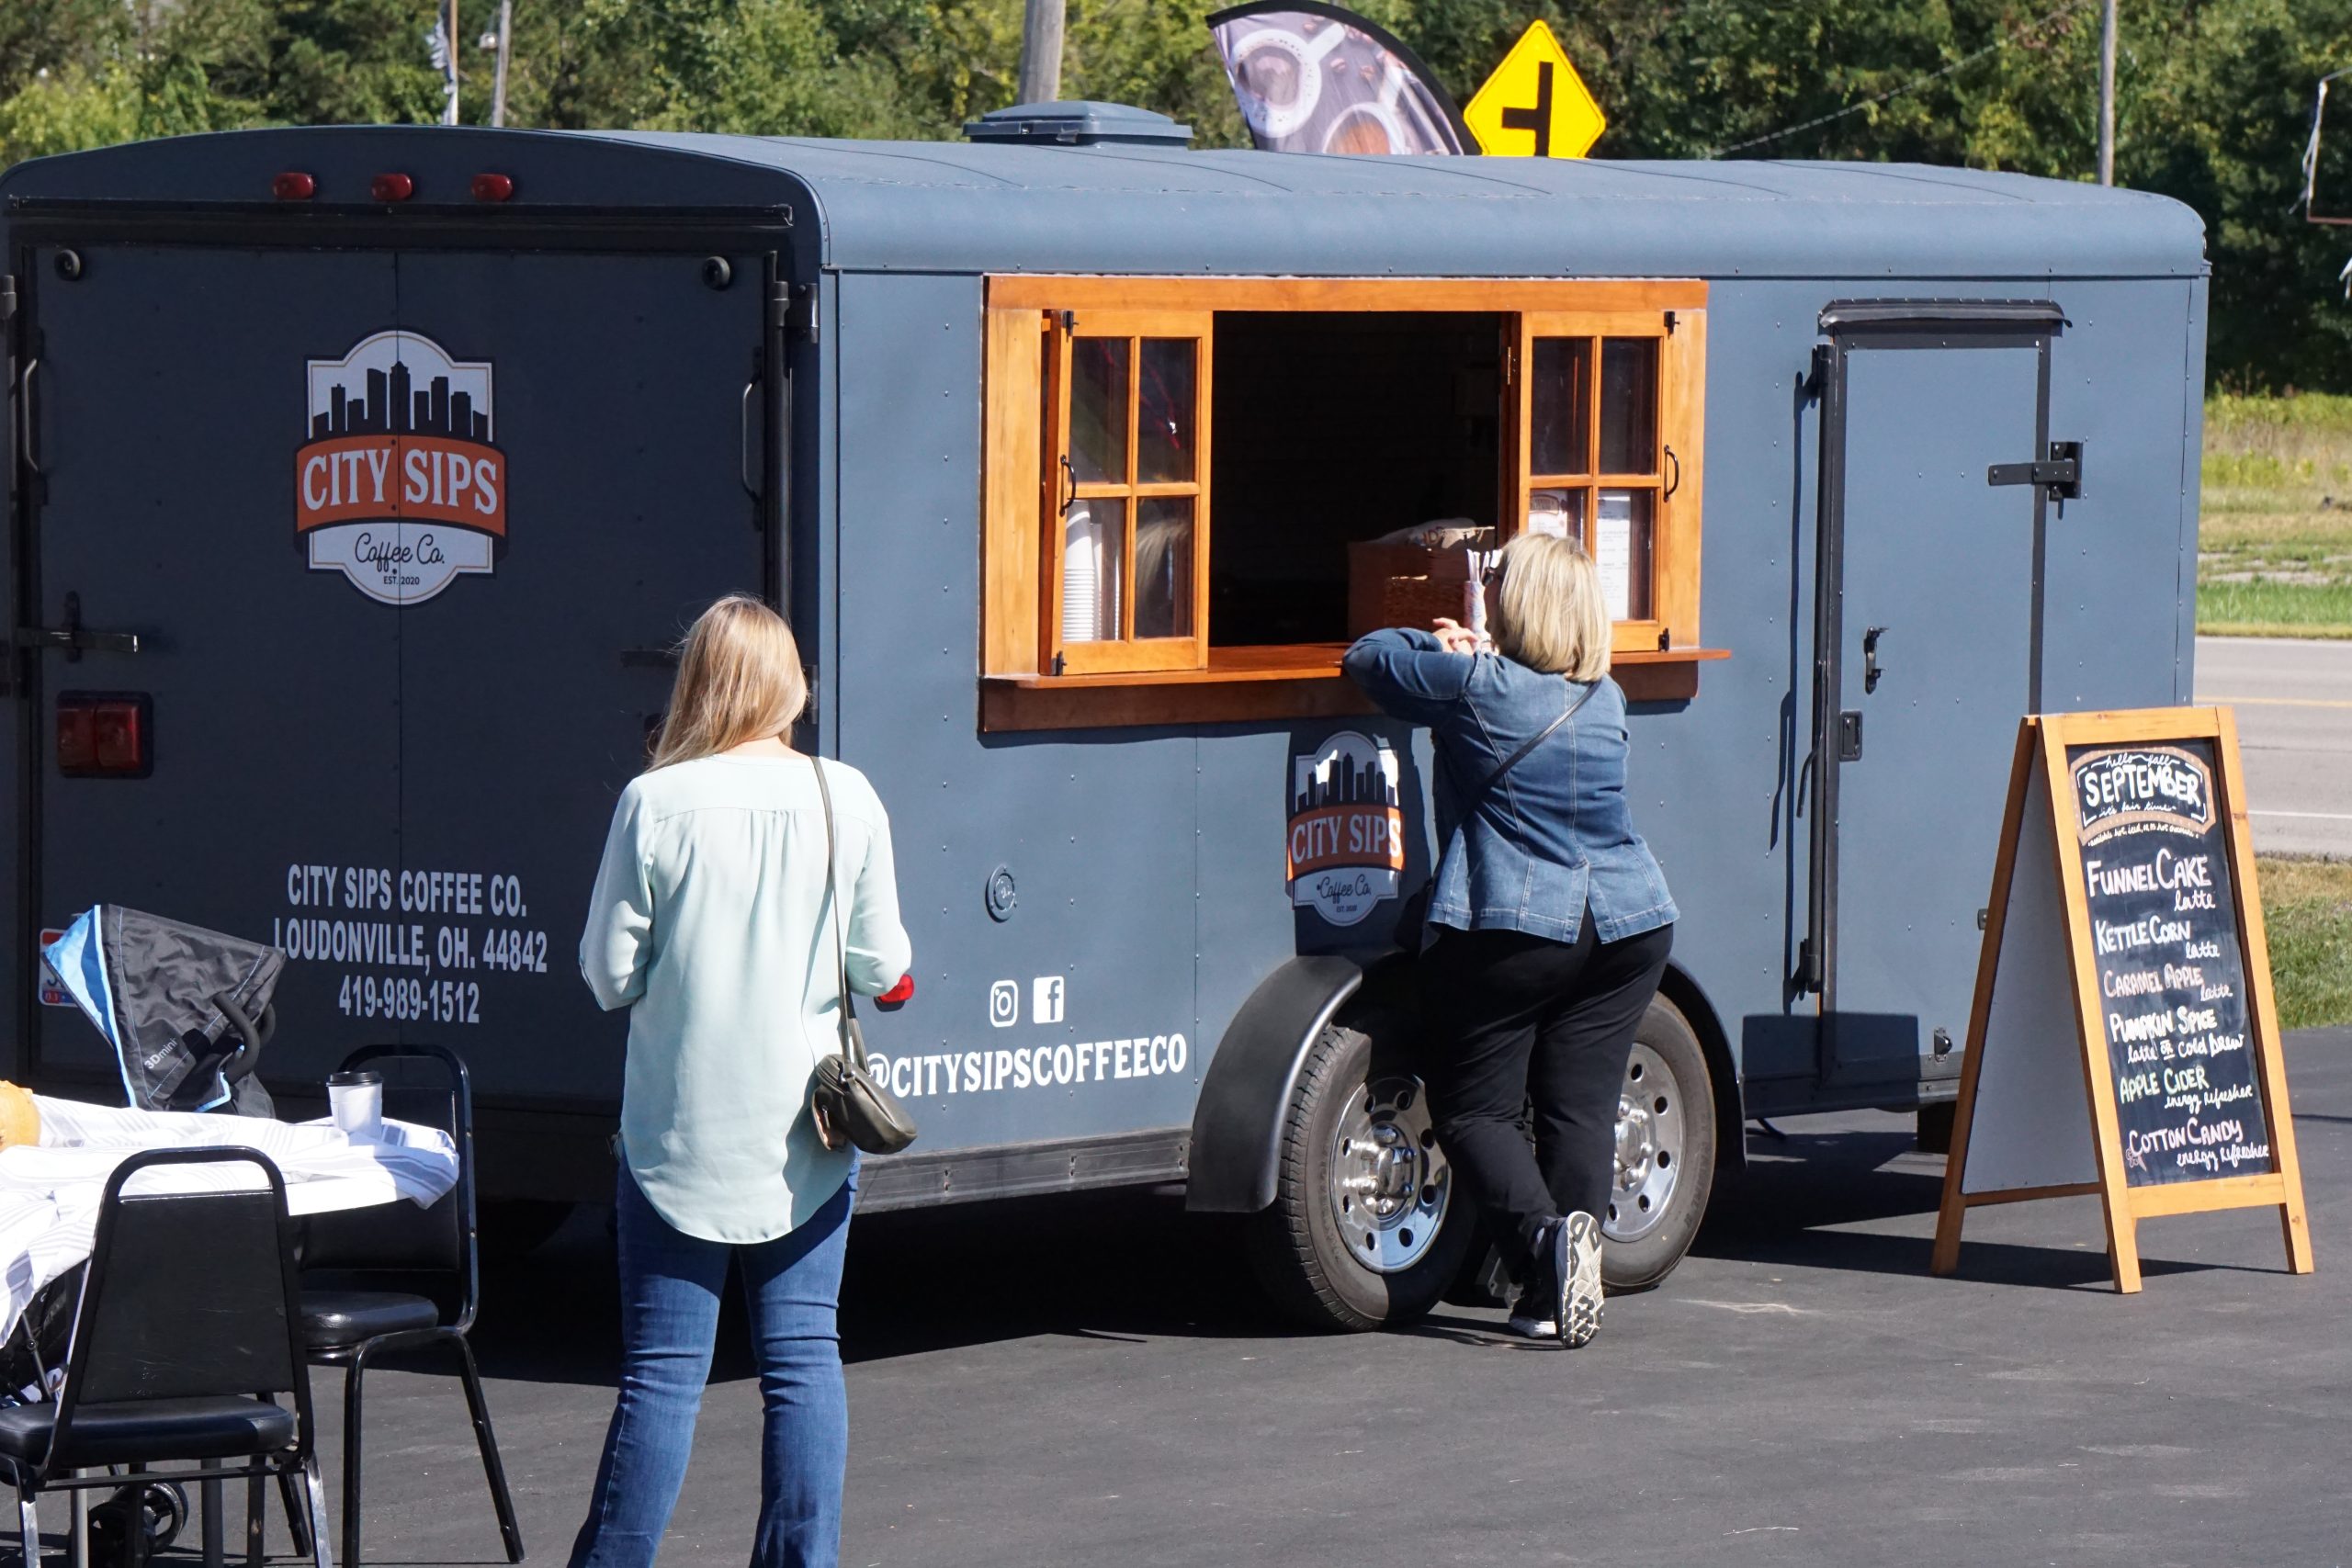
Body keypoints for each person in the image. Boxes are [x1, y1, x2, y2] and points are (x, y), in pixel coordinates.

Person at [572, 593, 911, 1567]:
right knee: (804, 1361)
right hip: (807, 1134)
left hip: (675, 1137)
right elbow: (883, 968)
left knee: (663, 1377)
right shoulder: (844, 796)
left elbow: (606, 977)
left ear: (699, 683)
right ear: (790, 683)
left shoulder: (654, 803)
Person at [1343, 533, 1676, 1348]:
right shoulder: (1606, 696)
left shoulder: (1478, 688)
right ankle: (1552, 1291)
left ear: (1513, 607)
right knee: (1580, 1111)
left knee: (1473, 1111)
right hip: (1632, 922)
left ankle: (1542, 1240)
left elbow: (1367, 657)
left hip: (1523, 922)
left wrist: (1442, 645)